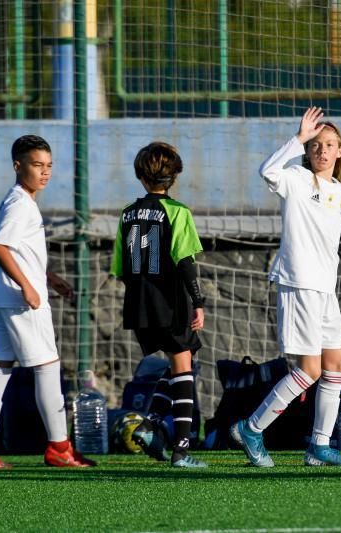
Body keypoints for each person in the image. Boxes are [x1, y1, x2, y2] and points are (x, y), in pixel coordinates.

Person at [230, 107, 341, 468]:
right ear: (308, 151)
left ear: (340, 151)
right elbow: (267, 171)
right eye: (316, 144)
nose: (322, 150)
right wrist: (297, 138)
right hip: (299, 283)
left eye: (329, 144)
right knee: (309, 371)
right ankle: (251, 428)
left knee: (337, 365)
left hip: (325, 290)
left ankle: (319, 445)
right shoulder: (296, 180)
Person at [0, 135, 95, 469]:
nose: (45, 172)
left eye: (49, 165)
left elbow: (20, 251)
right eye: (37, 165)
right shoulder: (20, 203)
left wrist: (49, 278)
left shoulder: (20, 201)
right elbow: (1, 247)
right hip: (18, 300)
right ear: (18, 165)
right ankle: (60, 448)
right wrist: (28, 286)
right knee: (48, 368)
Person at [110, 142, 207, 469]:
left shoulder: (127, 213)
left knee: (177, 364)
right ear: (175, 175)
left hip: (139, 305)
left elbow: (121, 269)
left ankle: (152, 426)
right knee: (184, 368)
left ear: (140, 176)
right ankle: (180, 449)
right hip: (171, 301)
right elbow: (185, 262)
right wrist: (198, 301)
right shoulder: (177, 212)